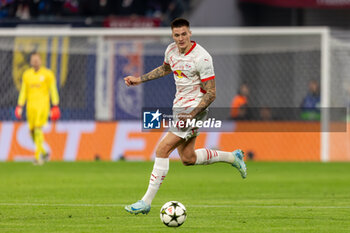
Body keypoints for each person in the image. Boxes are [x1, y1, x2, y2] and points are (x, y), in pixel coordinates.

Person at [123, 18, 247, 215]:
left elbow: (211, 93)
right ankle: (233, 157)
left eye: (183, 34)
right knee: (188, 158)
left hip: (195, 110)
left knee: (162, 149)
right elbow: (165, 69)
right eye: (176, 35)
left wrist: (191, 115)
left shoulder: (202, 58)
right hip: (179, 108)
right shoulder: (171, 50)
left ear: (190, 33)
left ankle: (146, 202)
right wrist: (139, 79)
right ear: (173, 35)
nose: (180, 38)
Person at [15, 52, 61, 165]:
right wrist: (20, 105)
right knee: (31, 133)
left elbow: (53, 90)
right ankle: (44, 152)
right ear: (30, 61)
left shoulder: (48, 74)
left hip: (43, 106)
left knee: (37, 129)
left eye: (37, 59)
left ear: (41, 61)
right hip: (30, 107)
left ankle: (37, 157)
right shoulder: (27, 75)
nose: (35, 61)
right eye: (33, 60)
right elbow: (23, 91)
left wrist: (55, 105)